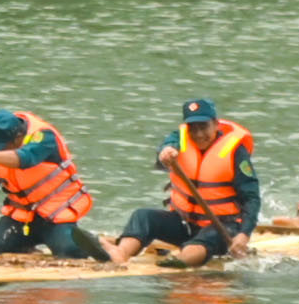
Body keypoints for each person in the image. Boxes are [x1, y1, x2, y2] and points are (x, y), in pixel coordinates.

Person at [110, 98, 260, 265]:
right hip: (185, 224)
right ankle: (120, 254)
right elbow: (168, 144)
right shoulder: (179, 139)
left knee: (205, 239)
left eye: (203, 127)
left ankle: (178, 263)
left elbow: (252, 198)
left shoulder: (236, 153)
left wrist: (244, 234)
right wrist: (165, 152)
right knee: (143, 216)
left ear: (216, 124)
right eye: (193, 128)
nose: (198, 134)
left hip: (222, 227)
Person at [0, 109, 111, 262]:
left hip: (56, 213)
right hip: (23, 216)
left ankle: (101, 242)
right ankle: (29, 250)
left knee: (69, 251)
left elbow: (26, 158)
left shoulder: (44, 136)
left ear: (17, 138)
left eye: (0, 146)